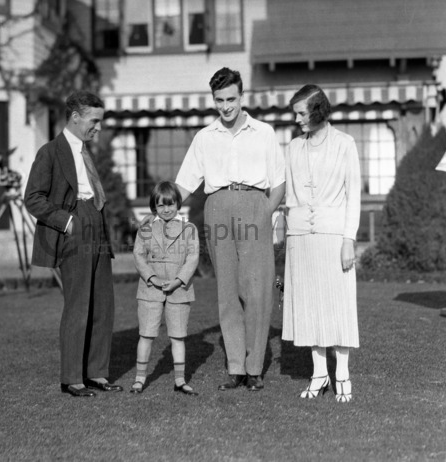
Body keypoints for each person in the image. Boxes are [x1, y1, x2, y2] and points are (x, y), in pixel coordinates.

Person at [174, 67, 285, 391]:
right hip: (218, 208)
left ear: (241, 96)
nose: (226, 106)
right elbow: (183, 185)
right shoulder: (205, 137)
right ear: (214, 100)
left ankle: (255, 368)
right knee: (227, 291)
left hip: (254, 207)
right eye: (219, 100)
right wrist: (160, 212)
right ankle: (236, 367)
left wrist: (263, 212)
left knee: (257, 290)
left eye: (231, 99)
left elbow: (278, 184)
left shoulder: (263, 132)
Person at [24, 90, 123, 397]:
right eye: (95, 121)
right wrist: (67, 222)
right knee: (79, 304)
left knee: (104, 303)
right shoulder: (50, 152)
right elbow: (32, 198)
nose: (99, 128)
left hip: (96, 221)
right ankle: (72, 379)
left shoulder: (84, 149)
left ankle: (96, 374)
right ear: (76, 117)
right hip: (74, 225)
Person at [281, 84, 361, 403]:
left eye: (301, 113)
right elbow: (289, 196)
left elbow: (353, 194)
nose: (297, 119)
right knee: (310, 305)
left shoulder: (345, 144)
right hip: (300, 237)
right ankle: (319, 373)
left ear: (317, 110)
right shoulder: (292, 148)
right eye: (295, 114)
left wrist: (348, 240)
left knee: (338, 303)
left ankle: (341, 371)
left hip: (333, 235)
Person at [131, 181, 200, 395]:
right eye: (161, 206)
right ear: (154, 207)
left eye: (170, 204)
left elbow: (192, 257)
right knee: (146, 334)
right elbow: (138, 255)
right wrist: (152, 277)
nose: (166, 209)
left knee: (177, 336)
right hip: (150, 289)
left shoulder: (189, 229)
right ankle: (140, 379)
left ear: (178, 204)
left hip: (179, 289)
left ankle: (180, 380)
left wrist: (179, 280)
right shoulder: (146, 228)